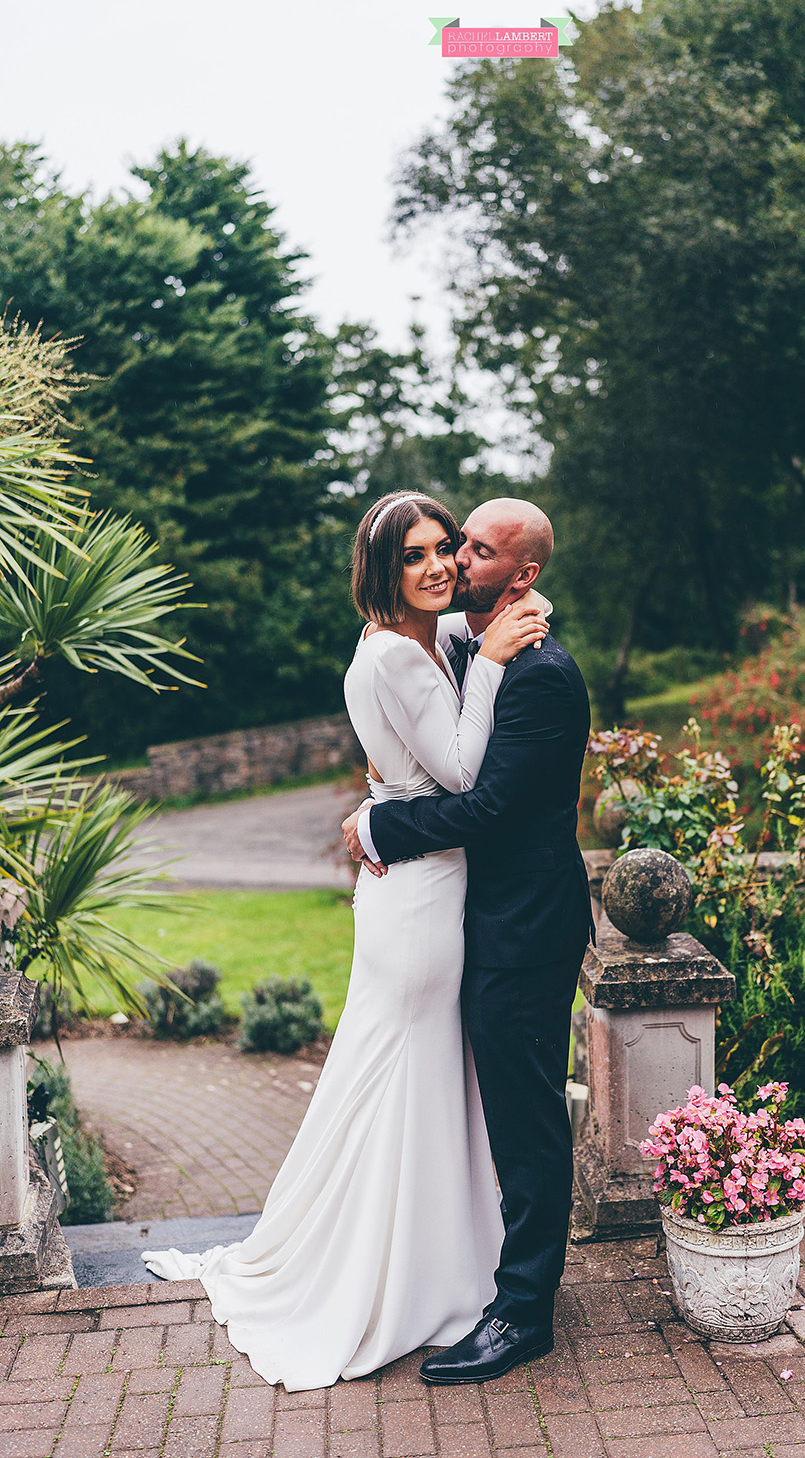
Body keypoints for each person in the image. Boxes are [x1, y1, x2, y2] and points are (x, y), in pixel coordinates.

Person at [141, 490, 548, 1391]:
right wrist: (489, 666)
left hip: (437, 888)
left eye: (447, 548)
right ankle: (391, 1278)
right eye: (416, 555)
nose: (440, 565)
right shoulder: (394, 661)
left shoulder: (429, 638)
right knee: (405, 1078)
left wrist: (511, 619)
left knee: (429, 1078)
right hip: (421, 902)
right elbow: (464, 771)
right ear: (381, 571)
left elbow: (474, 662)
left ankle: (448, 1263)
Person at [342, 496, 593, 1386]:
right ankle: (463, 1274)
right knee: (489, 1111)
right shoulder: (464, 644)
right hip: (474, 919)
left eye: (473, 551)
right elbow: (418, 639)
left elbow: (485, 808)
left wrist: (379, 827)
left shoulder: (541, 676)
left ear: (520, 576)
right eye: (447, 547)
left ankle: (524, 1313)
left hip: (525, 928)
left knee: (525, 1122)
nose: (454, 563)